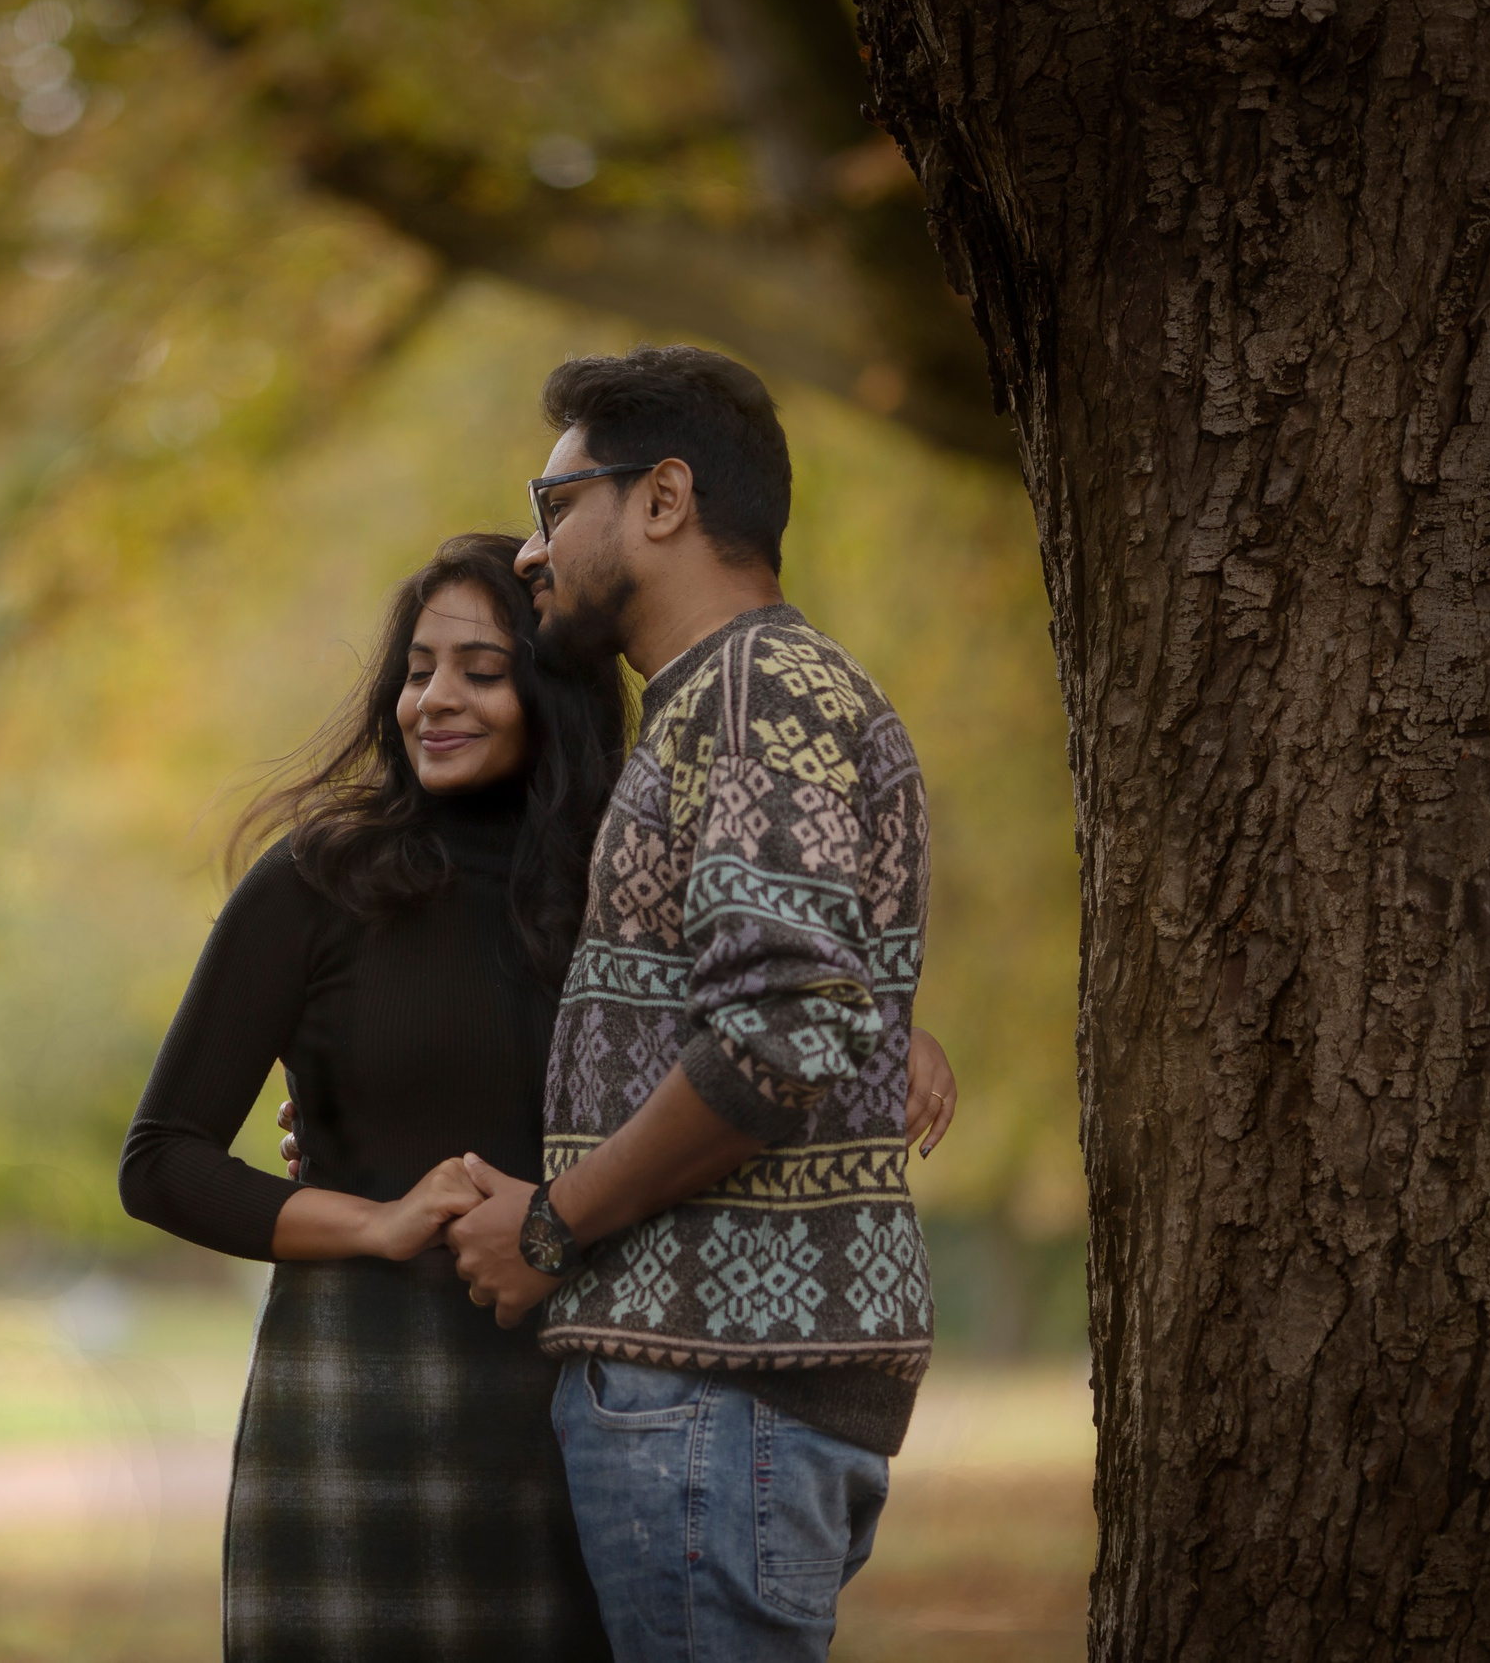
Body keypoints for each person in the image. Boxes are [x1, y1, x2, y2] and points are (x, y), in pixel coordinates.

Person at [121, 530, 960, 1661]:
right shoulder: (318, 881)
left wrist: (891, 1039)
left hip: (581, 1399)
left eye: (479, 669)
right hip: (358, 1400)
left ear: (548, 689)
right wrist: (372, 1223)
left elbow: (758, 1024)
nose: (434, 701)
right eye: (417, 670)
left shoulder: (618, 890)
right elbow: (161, 1161)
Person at [445, 344, 942, 1662]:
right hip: (735, 1392)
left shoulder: (753, 689)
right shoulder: (746, 697)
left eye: (556, 508)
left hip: (717, 1385)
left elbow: (777, 1032)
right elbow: (818, 1001)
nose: (532, 552)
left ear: (662, 499)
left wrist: (551, 1225)